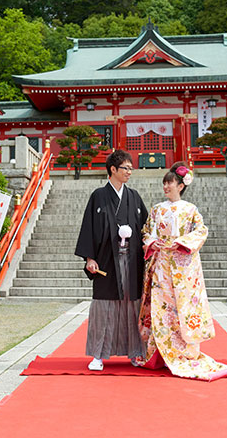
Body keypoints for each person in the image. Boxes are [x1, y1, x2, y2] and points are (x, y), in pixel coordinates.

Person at [134, 162, 227, 381]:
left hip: (183, 267)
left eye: (169, 182)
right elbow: (145, 231)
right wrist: (153, 242)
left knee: (183, 308)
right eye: (164, 183)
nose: (166, 186)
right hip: (161, 265)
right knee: (162, 308)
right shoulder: (157, 209)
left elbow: (201, 231)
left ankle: (185, 353)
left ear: (180, 185)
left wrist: (179, 242)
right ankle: (158, 354)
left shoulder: (190, 209)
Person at [75, 150, 148, 371]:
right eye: (125, 168)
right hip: (107, 262)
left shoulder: (133, 196)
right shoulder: (98, 195)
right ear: (113, 170)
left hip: (132, 260)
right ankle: (98, 354)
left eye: (131, 168)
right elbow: (89, 227)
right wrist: (90, 258)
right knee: (103, 308)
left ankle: (136, 353)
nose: (129, 172)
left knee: (132, 307)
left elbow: (146, 227)